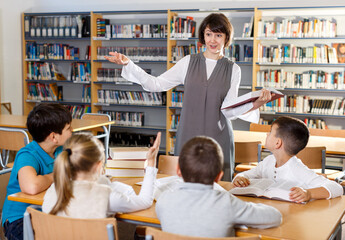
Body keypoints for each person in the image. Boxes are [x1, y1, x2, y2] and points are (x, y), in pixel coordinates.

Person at [105, 13, 272, 181]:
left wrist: (257, 103)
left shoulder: (233, 69)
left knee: (219, 187)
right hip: (188, 134)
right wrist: (129, 65)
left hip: (219, 138)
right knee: (184, 182)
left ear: (226, 37)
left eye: (218, 35)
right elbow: (155, 84)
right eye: (208, 34)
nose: (212, 40)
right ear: (203, 36)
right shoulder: (188, 62)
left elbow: (229, 110)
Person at [155, 136, 282, 238]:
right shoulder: (226, 203)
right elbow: (275, 217)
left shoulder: (164, 200)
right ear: (219, 177)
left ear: (178, 171)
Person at [42, 132, 161, 218]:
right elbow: (145, 201)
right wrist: (151, 162)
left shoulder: (54, 189)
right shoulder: (108, 197)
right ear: (98, 165)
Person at [2, 103, 72, 240]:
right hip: (20, 218)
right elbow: (31, 187)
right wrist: (57, 174)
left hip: (47, 212)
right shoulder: (28, 154)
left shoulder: (59, 150)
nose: (72, 131)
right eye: (69, 128)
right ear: (53, 137)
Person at [233, 116, 343, 203]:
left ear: (278, 143)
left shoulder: (296, 168)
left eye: (270, 132)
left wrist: (308, 193)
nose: (267, 133)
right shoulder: (269, 161)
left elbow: (337, 188)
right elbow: (247, 175)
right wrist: (240, 178)